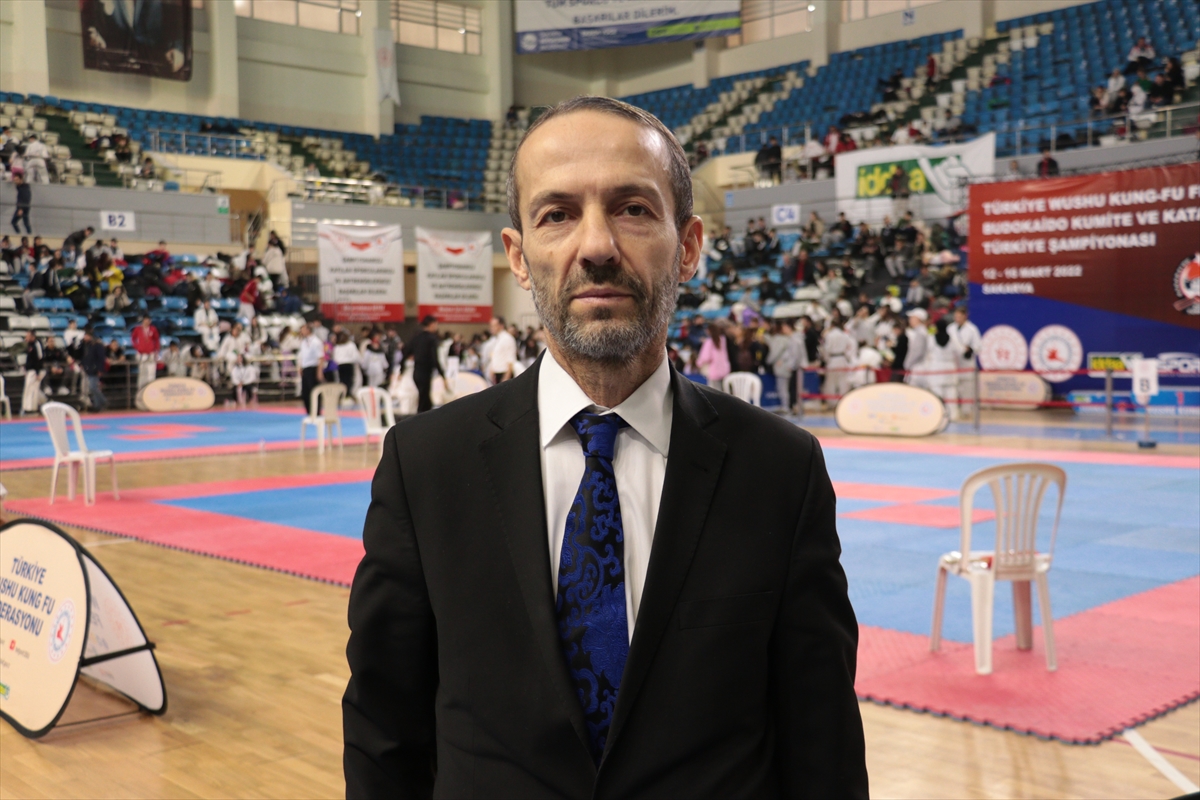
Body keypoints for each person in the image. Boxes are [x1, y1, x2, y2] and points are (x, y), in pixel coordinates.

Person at [343, 96, 868, 798]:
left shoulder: (779, 470)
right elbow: (384, 732)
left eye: (633, 209)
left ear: (688, 246)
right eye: (557, 215)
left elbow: (822, 742)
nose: (595, 246)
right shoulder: (425, 467)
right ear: (518, 256)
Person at [402, 315, 445, 413]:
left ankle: (423, 416)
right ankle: (421, 419)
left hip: (416, 373)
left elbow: (405, 352)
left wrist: (401, 369)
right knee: (424, 401)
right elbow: (435, 359)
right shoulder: (432, 339)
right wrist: (442, 375)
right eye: (436, 324)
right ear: (431, 324)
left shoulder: (416, 337)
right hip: (425, 373)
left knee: (424, 399)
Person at [947, 305, 981, 416]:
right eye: (955, 316)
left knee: (967, 389)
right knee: (954, 389)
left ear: (965, 316)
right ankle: (953, 411)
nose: (957, 318)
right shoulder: (950, 328)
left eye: (959, 316)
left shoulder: (972, 329)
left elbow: (978, 346)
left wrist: (969, 349)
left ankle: (966, 411)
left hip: (966, 362)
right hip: (953, 361)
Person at [297, 324, 323, 414]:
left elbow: (321, 357)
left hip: (313, 368)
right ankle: (309, 412)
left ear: (308, 330)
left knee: (314, 391)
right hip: (305, 368)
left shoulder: (316, 341)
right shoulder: (303, 342)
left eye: (303, 329)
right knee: (305, 392)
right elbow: (302, 355)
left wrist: (319, 372)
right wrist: (300, 367)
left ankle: (317, 412)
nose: (301, 332)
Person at [80, 329, 108, 412]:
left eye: (86, 336)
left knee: (93, 387)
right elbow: (85, 356)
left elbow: (101, 358)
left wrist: (100, 369)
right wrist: (83, 364)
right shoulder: (86, 345)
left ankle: (103, 401)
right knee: (93, 387)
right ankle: (97, 405)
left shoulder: (97, 345)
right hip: (89, 369)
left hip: (94, 369)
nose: (85, 337)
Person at [130, 315, 160, 391]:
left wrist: (156, 350)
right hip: (142, 354)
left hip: (151, 353)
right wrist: (137, 347)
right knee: (142, 373)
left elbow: (157, 340)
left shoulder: (153, 329)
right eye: (146, 320)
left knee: (151, 373)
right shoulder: (138, 329)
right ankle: (141, 389)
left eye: (149, 320)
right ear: (143, 320)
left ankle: (151, 389)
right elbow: (133, 338)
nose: (147, 321)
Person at [487, 315, 517, 383]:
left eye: (494, 326)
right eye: (491, 326)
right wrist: (492, 369)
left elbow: (511, 359)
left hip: (504, 373)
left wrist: (506, 377)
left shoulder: (507, 339)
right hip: (497, 373)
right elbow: (495, 356)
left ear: (501, 326)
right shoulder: (496, 339)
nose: (492, 328)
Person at [21, 331, 45, 414]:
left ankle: (32, 408)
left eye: (27, 336)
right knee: (28, 389)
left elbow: (39, 358)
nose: (26, 338)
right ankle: (27, 407)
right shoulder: (28, 345)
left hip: (35, 371)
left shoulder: (37, 344)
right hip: (30, 371)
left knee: (33, 390)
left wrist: (38, 372)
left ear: (33, 337)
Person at [332, 331, 359, 396]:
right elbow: (355, 356)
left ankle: (344, 394)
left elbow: (335, 358)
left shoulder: (337, 346)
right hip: (348, 364)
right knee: (349, 380)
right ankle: (347, 394)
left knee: (343, 380)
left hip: (341, 365)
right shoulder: (351, 345)